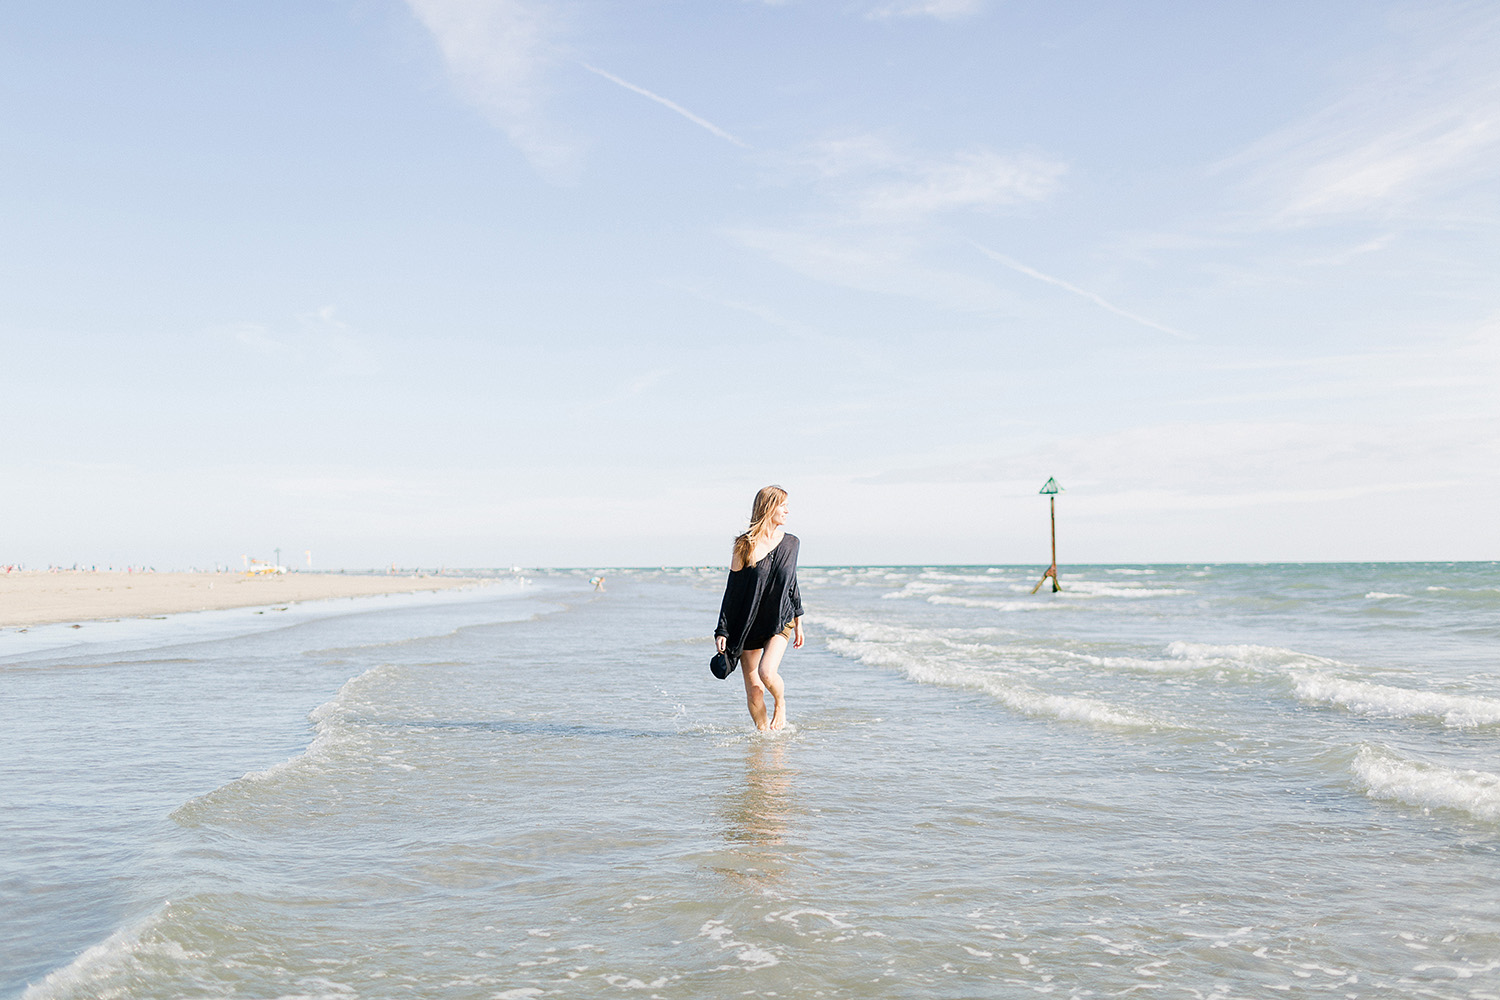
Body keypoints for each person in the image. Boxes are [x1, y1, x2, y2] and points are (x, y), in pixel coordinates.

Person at [715, 485, 804, 731]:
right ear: (768, 508)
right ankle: (764, 739)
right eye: (782, 505)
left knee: (767, 672)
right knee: (754, 691)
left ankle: (781, 703)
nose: (787, 510)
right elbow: (732, 590)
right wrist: (722, 630)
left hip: (780, 618)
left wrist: (799, 621)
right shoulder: (744, 545)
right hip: (748, 622)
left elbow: (792, 583)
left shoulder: (792, 543)